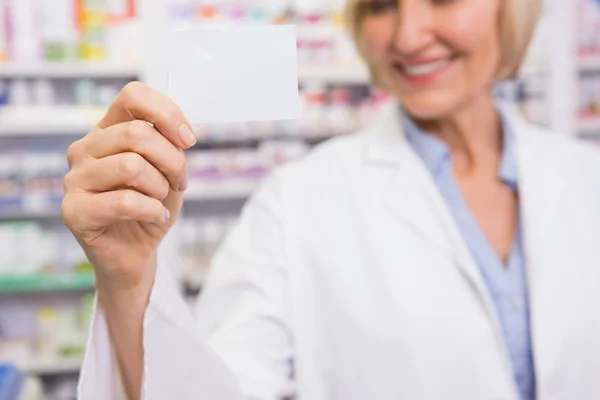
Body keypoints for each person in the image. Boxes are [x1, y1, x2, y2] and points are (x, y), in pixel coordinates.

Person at [62, 0, 600, 399]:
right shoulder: (295, 206)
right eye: (382, 5)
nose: (409, 36)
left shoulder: (586, 179)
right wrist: (128, 281)